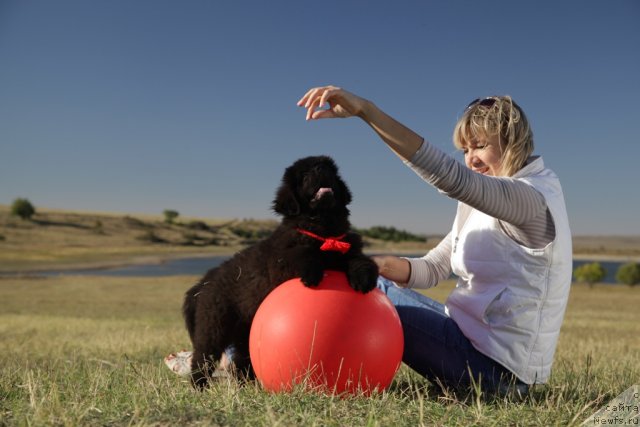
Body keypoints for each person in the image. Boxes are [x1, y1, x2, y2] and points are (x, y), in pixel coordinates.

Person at [297, 86, 572, 396]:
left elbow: (450, 177)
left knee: (371, 291)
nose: (471, 160)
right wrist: (381, 264)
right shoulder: (484, 204)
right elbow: (433, 267)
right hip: (472, 347)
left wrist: (367, 112)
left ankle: (292, 364)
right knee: (368, 279)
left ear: (512, 141)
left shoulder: (531, 198)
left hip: (494, 372)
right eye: (465, 150)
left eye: (479, 146)